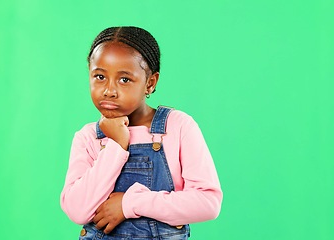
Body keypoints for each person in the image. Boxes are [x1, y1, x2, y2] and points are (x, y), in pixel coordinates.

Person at [60, 26, 222, 239]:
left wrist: (129, 203)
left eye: (124, 79)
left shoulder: (177, 127)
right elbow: (77, 210)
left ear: (150, 83)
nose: (109, 90)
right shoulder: (88, 138)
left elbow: (207, 203)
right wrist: (117, 144)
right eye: (100, 76)